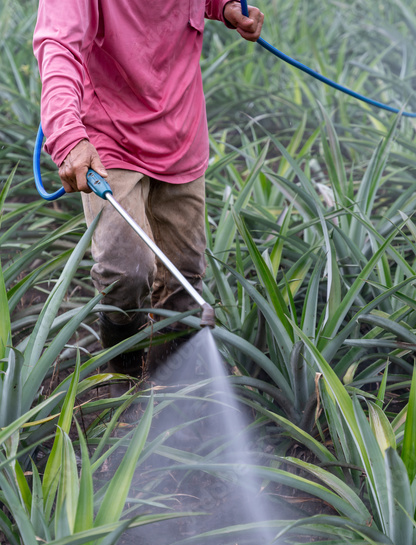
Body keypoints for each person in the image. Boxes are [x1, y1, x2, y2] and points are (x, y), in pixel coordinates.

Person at [34, 0, 264, 379]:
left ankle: (172, 392)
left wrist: (224, 7)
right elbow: (58, 45)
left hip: (180, 129)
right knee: (125, 272)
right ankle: (125, 380)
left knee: (185, 278)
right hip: (109, 135)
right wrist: (68, 135)